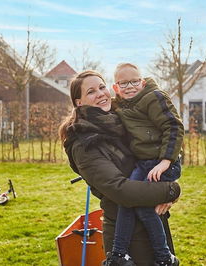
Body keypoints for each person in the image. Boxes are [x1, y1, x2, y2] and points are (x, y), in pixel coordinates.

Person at [59, 70, 181, 266]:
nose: (100, 93)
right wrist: (171, 190)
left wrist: (167, 177)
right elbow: (121, 190)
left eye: (101, 87)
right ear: (78, 102)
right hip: (128, 238)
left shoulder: (122, 122)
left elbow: (156, 148)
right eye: (90, 91)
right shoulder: (83, 143)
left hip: (154, 224)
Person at [109, 63, 183, 266]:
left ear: (142, 82)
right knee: (127, 198)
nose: (129, 86)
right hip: (143, 164)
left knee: (143, 209)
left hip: (163, 163)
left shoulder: (154, 97)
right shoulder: (120, 105)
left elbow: (174, 126)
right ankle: (118, 253)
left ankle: (164, 257)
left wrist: (165, 161)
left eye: (134, 81)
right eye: (123, 83)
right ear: (116, 87)